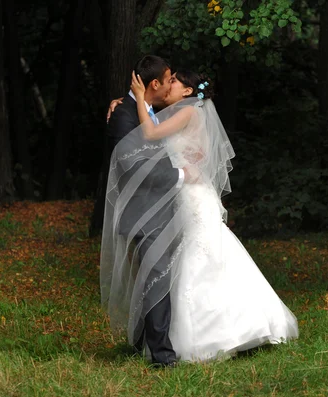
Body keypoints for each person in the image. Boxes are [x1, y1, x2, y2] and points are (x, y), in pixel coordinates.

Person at [102, 68, 299, 363]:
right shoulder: (179, 111)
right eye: (168, 80)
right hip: (180, 192)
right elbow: (152, 123)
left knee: (199, 253)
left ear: (188, 92)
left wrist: (140, 98)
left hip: (190, 192)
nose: (169, 85)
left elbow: (151, 132)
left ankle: (211, 333)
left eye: (175, 82)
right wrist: (127, 101)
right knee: (188, 255)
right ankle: (171, 335)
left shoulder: (190, 111)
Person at [101, 55, 182, 368]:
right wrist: (180, 177)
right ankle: (162, 357)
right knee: (156, 281)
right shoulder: (124, 116)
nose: (171, 84)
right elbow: (132, 168)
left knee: (152, 281)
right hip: (143, 212)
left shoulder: (144, 111)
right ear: (155, 84)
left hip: (156, 209)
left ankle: (144, 344)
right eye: (168, 78)